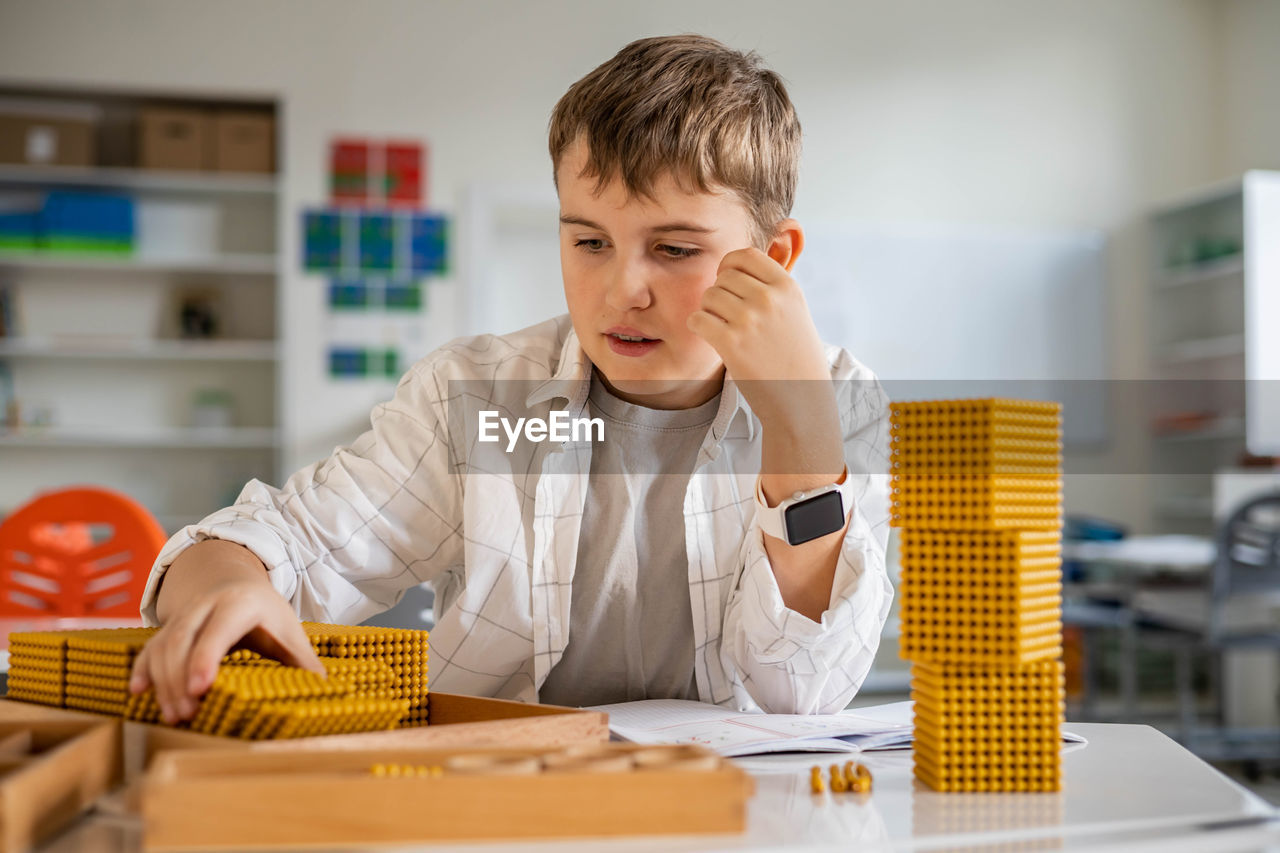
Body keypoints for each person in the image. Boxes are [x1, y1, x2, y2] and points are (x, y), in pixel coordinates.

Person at [129, 34, 893, 722]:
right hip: (501, 805)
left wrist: (799, 428)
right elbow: (275, 545)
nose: (623, 288)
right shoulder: (476, 397)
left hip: (744, 818)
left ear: (774, 260)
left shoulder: (843, 406)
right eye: (590, 240)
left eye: (675, 249)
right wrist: (226, 585)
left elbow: (803, 691)